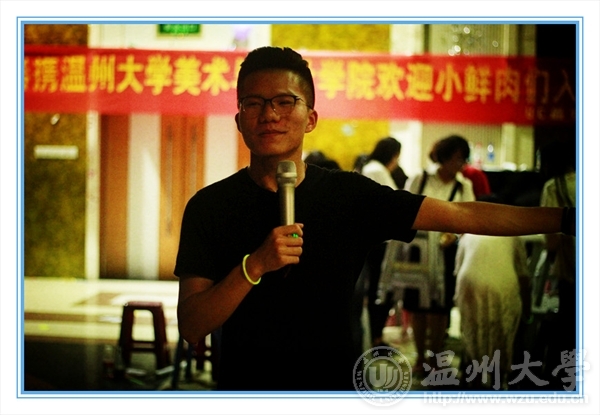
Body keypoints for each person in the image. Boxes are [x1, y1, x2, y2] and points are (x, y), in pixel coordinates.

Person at [174, 46, 573, 391]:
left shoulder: (349, 196)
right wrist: (254, 266)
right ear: (239, 118)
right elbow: (192, 325)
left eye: (285, 101)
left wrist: (567, 219)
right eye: (253, 103)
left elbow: (461, 213)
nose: (269, 114)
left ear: (310, 118)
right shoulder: (209, 207)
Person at [402, 135, 476, 373]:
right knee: (418, 307)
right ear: (443, 157)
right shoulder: (420, 178)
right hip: (419, 251)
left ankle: (434, 357)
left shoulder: (463, 186)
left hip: (446, 253)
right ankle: (419, 357)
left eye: (463, 159)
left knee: (440, 308)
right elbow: (404, 211)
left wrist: (454, 235)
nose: (459, 164)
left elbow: (469, 221)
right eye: (456, 158)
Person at [454, 196, 532, 390]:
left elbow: (458, 269)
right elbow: (523, 274)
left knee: (473, 332)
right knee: (501, 333)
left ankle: (474, 379)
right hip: (502, 283)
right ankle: (498, 382)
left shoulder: (468, 233)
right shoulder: (512, 233)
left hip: (469, 282)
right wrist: (527, 308)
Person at [359, 137, 408, 347]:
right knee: (379, 289)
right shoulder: (376, 170)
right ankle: (376, 337)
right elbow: (394, 201)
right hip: (378, 242)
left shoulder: (371, 167)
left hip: (375, 240)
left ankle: (375, 336)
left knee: (377, 289)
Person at [538, 138, 576, 386]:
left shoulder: (555, 187)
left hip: (571, 270)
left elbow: (551, 238)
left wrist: (550, 260)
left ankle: (563, 381)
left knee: (568, 328)